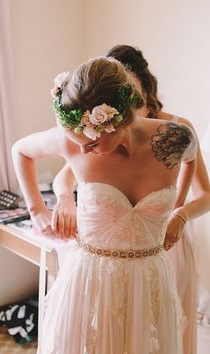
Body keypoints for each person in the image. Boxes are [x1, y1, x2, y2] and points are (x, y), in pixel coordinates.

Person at [12, 56, 197, 354]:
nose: (83, 148)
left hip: (149, 278)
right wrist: (37, 211)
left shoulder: (174, 138)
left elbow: (190, 160)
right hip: (92, 282)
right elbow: (20, 150)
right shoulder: (73, 140)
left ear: (119, 120)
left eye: (94, 143)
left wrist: (179, 212)